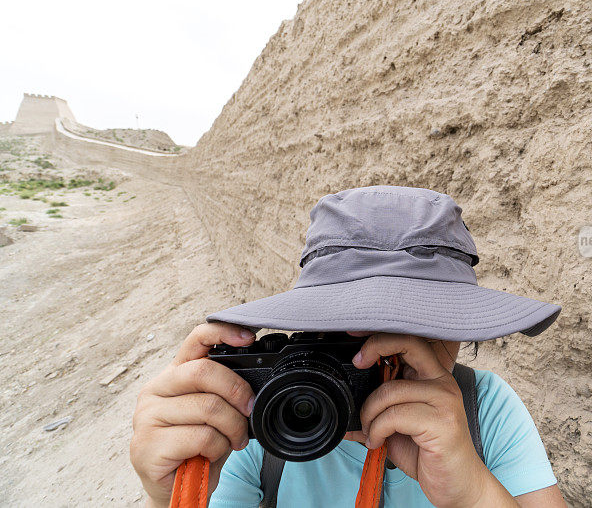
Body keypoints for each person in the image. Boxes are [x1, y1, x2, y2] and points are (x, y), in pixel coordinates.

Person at [131, 186, 568, 507]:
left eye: (430, 327)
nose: (395, 353)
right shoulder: (260, 419)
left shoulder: (483, 409)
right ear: (310, 329)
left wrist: (472, 492)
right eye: (359, 329)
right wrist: (169, 495)